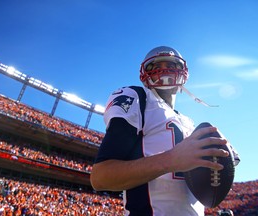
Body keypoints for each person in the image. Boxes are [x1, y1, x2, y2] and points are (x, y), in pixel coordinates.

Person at [90, 46, 231, 215]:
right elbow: (100, 177)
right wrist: (171, 159)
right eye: (156, 66)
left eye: (171, 65)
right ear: (145, 74)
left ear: (184, 73)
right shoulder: (138, 97)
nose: (164, 69)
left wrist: (223, 156)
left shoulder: (188, 122)